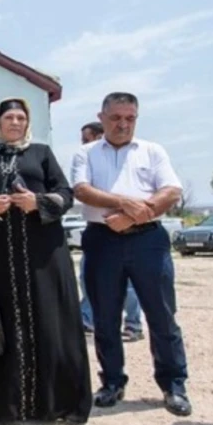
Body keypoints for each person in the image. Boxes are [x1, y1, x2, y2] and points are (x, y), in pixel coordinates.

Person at [0, 99, 92, 424]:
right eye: (9, 117)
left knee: (49, 318)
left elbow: (66, 194)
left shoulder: (41, 153)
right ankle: (2, 401)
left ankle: (54, 401)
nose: (15, 122)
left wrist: (38, 201)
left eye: (21, 117)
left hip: (44, 255)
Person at [71, 92, 191, 417]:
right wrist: (124, 204)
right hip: (101, 240)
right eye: (115, 118)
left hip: (147, 240)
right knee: (105, 317)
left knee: (162, 315)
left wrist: (139, 214)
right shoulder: (86, 152)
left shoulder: (152, 151)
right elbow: (82, 190)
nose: (123, 124)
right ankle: (112, 382)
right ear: (102, 117)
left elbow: (171, 190)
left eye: (130, 118)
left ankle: (173, 385)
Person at [77, 120, 143, 342]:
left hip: (129, 230)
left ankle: (133, 324)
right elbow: (82, 191)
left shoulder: (128, 158)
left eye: (86, 139)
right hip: (97, 231)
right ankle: (87, 319)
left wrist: (125, 212)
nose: (83, 144)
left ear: (98, 136)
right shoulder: (86, 159)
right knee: (89, 279)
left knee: (129, 284)